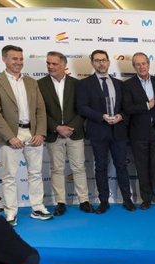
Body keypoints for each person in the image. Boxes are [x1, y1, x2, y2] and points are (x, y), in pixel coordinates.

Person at [0, 45, 50, 226]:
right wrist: (9, 137)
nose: (19, 62)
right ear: (4, 59)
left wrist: (40, 132)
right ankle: (10, 213)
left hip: (32, 134)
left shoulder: (31, 82)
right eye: (15, 59)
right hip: (10, 136)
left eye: (21, 59)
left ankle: (37, 208)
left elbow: (40, 109)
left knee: (36, 173)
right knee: (9, 176)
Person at [76, 49, 133, 214]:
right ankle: (103, 201)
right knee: (100, 167)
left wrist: (121, 116)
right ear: (92, 63)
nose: (101, 63)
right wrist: (101, 116)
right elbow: (81, 107)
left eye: (104, 60)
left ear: (108, 62)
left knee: (121, 166)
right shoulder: (84, 84)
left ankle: (127, 199)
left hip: (119, 132)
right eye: (97, 60)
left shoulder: (119, 84)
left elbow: (127, 108)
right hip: (98, 131)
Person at [38, 51, 92, 216]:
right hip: (54, 134)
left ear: (64, 65)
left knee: (79, 168)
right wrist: (57, 128)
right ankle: (60, 202)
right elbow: (40, 111)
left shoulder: (77, 84)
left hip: (75, 134)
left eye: (54, 64)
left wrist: (71, 127)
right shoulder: (39, 84)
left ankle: (84, 200)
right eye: (48, 63)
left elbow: (82, 109)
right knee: (56, 169)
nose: (50, 67)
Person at [122, 52, 155, 210]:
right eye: (138, 64)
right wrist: (146, 106)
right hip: (138, 133)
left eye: (144, 63)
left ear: (149, 64)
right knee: (142, 167)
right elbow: (127, 108)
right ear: (134, 66)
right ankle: (146, 199)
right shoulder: (128, 85)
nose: (141, 67)